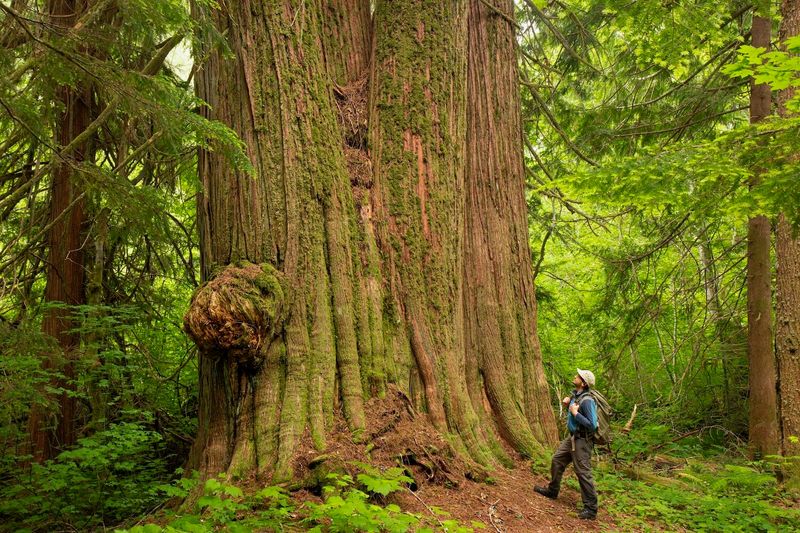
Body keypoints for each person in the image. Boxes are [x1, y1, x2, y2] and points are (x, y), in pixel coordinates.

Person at [534, 368, 598, 520]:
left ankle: (591, 509)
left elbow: (592, 425)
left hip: (582, 441)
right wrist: (568, 405)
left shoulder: (587, 400)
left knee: (583, 472)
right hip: (572, 439)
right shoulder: (576, 396)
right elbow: (575, 413)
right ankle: (553, 490)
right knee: (557, 460)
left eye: (578, 376)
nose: (575, 376)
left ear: (583, 383)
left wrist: (576, 413)